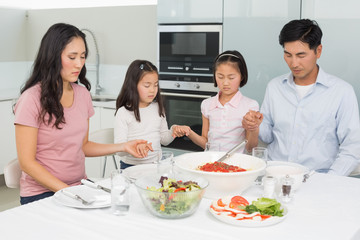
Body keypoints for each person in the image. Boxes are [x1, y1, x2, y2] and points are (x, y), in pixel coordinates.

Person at [14, 23, 151, 205]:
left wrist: (124, 146)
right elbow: (27, 163)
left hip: (78, 187)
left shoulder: (82, 94)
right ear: (52, 57)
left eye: (83, 56)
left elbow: (83, 146)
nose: (79, 64)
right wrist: (69, 192)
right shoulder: (31, 99)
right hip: (42, 194)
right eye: (72, 57)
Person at [243, 19, 360, 176]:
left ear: (318, 51)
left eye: (301, 55)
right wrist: (254, 125)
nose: (294, 63)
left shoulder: (341, 92)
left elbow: (352, 147)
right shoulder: (275, 87)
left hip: (317, 179)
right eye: (288, 55)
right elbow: (268, 136)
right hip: (273, 174)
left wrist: (329, 180)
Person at [178, 50, 263, 153]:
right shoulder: (207, 104)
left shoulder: (250, 105)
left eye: (231, 77)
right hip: (211, 162)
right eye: (220, 77)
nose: (225, 83)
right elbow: (206, 143)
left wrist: (254, 128)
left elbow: (250, 148)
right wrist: (189, 132)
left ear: (242, 76)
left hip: (236, 165)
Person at [114, 59, 189, 169]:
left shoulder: (158, 108)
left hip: (156, 166)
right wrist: (135, 147)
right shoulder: (123, 113)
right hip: (131, 167)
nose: (152, 90)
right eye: (147, 85)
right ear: (133, 85)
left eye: (155, 85)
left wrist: (173, 130)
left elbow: (164, 140)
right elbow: (119, 151)